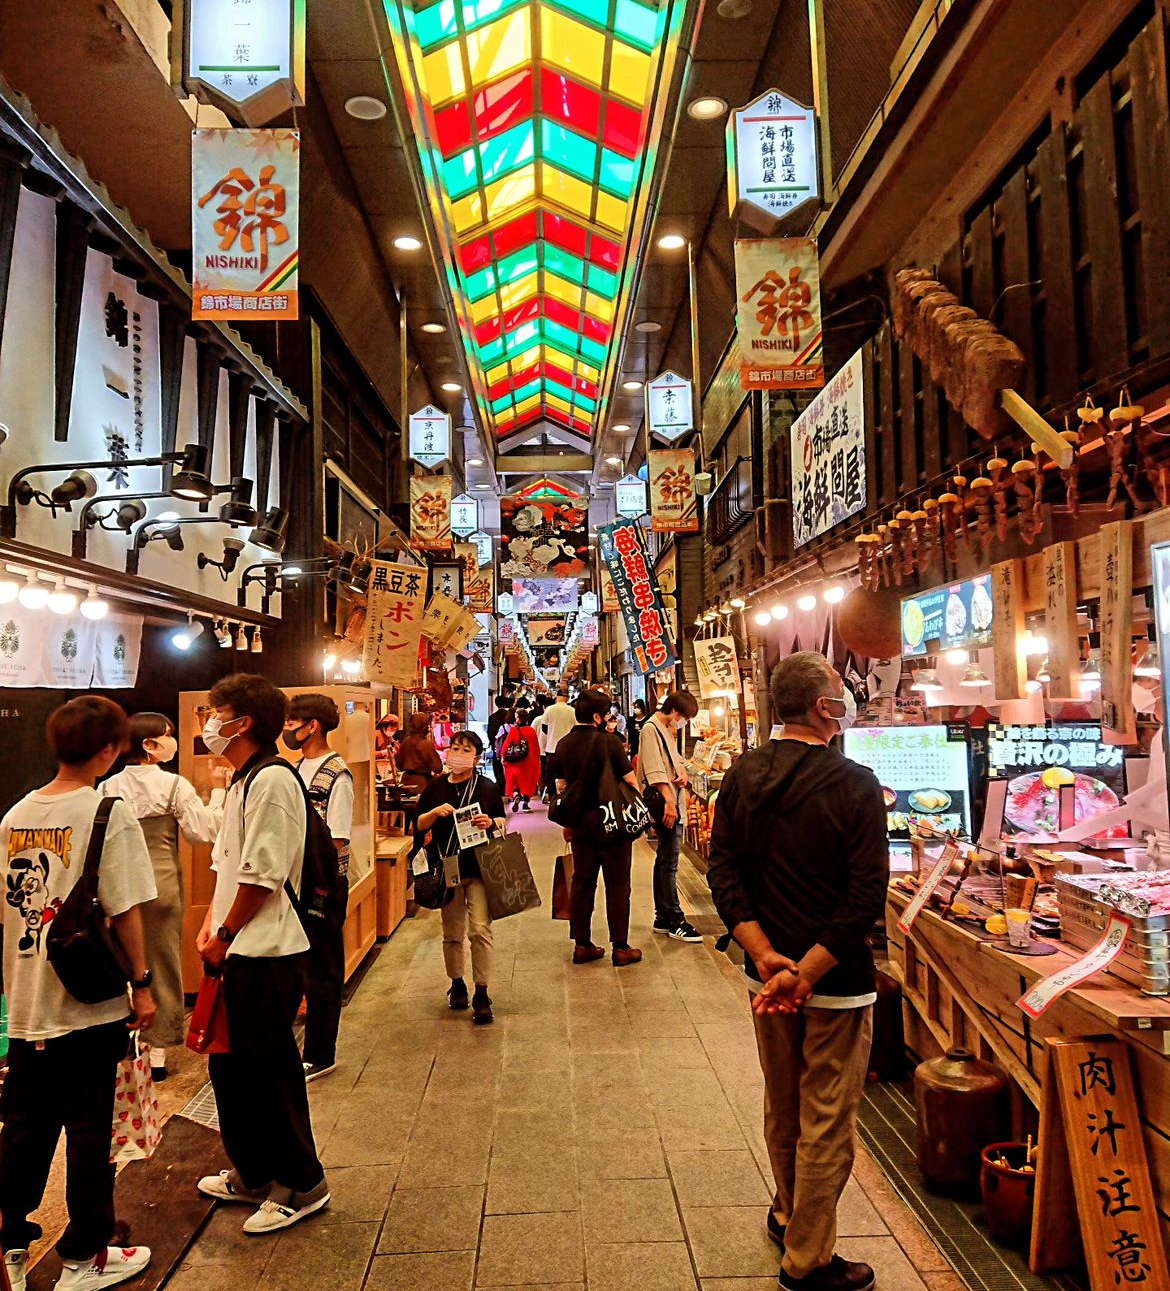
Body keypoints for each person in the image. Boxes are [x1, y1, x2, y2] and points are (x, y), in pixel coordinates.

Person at [706, 652, 887, 1291]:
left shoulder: (742, 775)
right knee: (827, 1115)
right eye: (840, 692)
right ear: (823, 708)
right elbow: (866, 897)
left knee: (783, 1103)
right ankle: (808, 1259)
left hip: (768, 981)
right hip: (833, 983)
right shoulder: (856, 783)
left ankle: (789, 1212)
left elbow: (722, 872)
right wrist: (807, 971)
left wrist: (765, 958)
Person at [0, 696, 157, 1291]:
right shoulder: (105, 812)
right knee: (91, 1132)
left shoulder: (14, 816)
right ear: (111, 749)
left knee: (22, 1132)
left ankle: (9, 1250)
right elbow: (126, 910)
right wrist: (141, 985)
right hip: (88, 1004)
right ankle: (84, 1257)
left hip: (27, 1003)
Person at [195, 674, 329, 1234]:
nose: (208, 723)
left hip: (268, 948)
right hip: (234, 948)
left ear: (241, 722)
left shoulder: (273, 780)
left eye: (214, 712)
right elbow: (227, 868)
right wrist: (211, 933)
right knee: (230, 1066)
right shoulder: (244, 779)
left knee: (270, 1068)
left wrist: (223, 936)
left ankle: (302, 1181)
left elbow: (263, 874)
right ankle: (252, 1170)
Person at [102, 712, 226, 1081]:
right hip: (161, 885)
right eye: (167, 735)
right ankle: (157, 1055)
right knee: (162, 963)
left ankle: (126, 1047)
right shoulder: (174, 785)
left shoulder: (106, 788)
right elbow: (203, 831)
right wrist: (219, 789)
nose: (172, 741)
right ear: (149, 744)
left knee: (122, 962)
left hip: (118, 884)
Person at [283, 694, 354, 1083]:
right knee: (299, 966)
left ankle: (321, 1053)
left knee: (323, 970)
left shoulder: (336, 772)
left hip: (324, 883)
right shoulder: (294, 767)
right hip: (296, 879)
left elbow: (338, 838)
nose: (287, 728)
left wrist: (322, 883)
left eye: (293, 721)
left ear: (313, 725)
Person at [414, 730, 507, 1024]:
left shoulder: (488, 788)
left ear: (477, 757)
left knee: (480, 929)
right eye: (455, 748)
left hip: (479, 868)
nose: (458, 753)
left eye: (466, 749)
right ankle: (456, 983)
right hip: (447, 868)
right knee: (452, 931)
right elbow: (417, 823)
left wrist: (491, 822)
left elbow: (502, 823)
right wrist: (434, 814)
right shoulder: (435, 788)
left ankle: (482, 990)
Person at [551, 688, 641, 967]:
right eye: (606, 713)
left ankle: (582, 944)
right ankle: (621, 947)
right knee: (618, 886)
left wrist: (568, 825)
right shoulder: (610, 742)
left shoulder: (564, 744)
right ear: (596, 716)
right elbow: (631, 782)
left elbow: (561, 788)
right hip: (613, 824)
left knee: (582, 883)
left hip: (581, 826)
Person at [637, 691, 701, 943]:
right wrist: (671, 804)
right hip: (665, 805)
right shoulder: (651, 729)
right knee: (670, 861)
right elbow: (654, 770)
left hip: (670, 801)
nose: (683, 722)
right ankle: (675, 919)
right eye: (684, 717)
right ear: (675, 712)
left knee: (665, 859)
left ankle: (663, 916)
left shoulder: (663, 728)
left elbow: (670, 763)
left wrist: (682, 774)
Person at [501, 704, 541, 812]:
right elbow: (536, 747)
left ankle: (516, 795)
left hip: (515, 761)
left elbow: (506, 745)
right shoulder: (531, 731)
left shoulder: (514, 730)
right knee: (528, 781)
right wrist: (537, 759)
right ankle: (526, 803)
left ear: (518, 719)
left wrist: (503, 756)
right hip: (529, 760)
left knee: (514, 780)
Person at [397, 711, 443, 793]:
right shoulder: (426, 744)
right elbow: (437, 768)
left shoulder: (406, 741)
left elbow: (399, 764)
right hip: (422, 784)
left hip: (405, 782)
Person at [541, 687, 576, 758]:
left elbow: (544, 727)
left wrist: (551, 734)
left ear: (557, 697)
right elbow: (575, 729)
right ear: (568, 698)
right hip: (568, 748)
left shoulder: (549, 709)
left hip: (551, 747)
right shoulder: (573, 711)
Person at [486, 695, 513, 788]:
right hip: (509, 746)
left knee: (497, 766)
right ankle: (508, 785)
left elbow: (489, 733)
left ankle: (500, 784)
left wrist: (493, 743)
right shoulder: (509, 715)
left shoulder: (492, 717)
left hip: (497, 746)